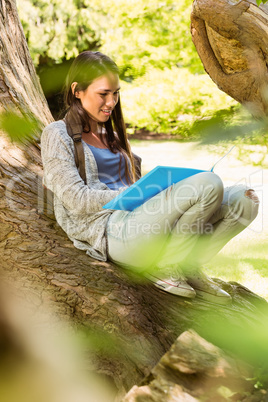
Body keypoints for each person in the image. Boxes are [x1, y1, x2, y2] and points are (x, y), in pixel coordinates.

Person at [41, 51, 259, 305]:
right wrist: (134, 196)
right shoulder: (58, 134)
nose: (111, 102)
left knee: (245, 199)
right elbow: (76, 199)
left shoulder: (112, 135)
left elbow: (133, 185)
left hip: (141, 223)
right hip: (110, 233)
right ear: (77, 90)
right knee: (208, 184)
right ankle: (166, 266)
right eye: (103, 94)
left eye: (116, 93)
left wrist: (149, 192)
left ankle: (188, 266)